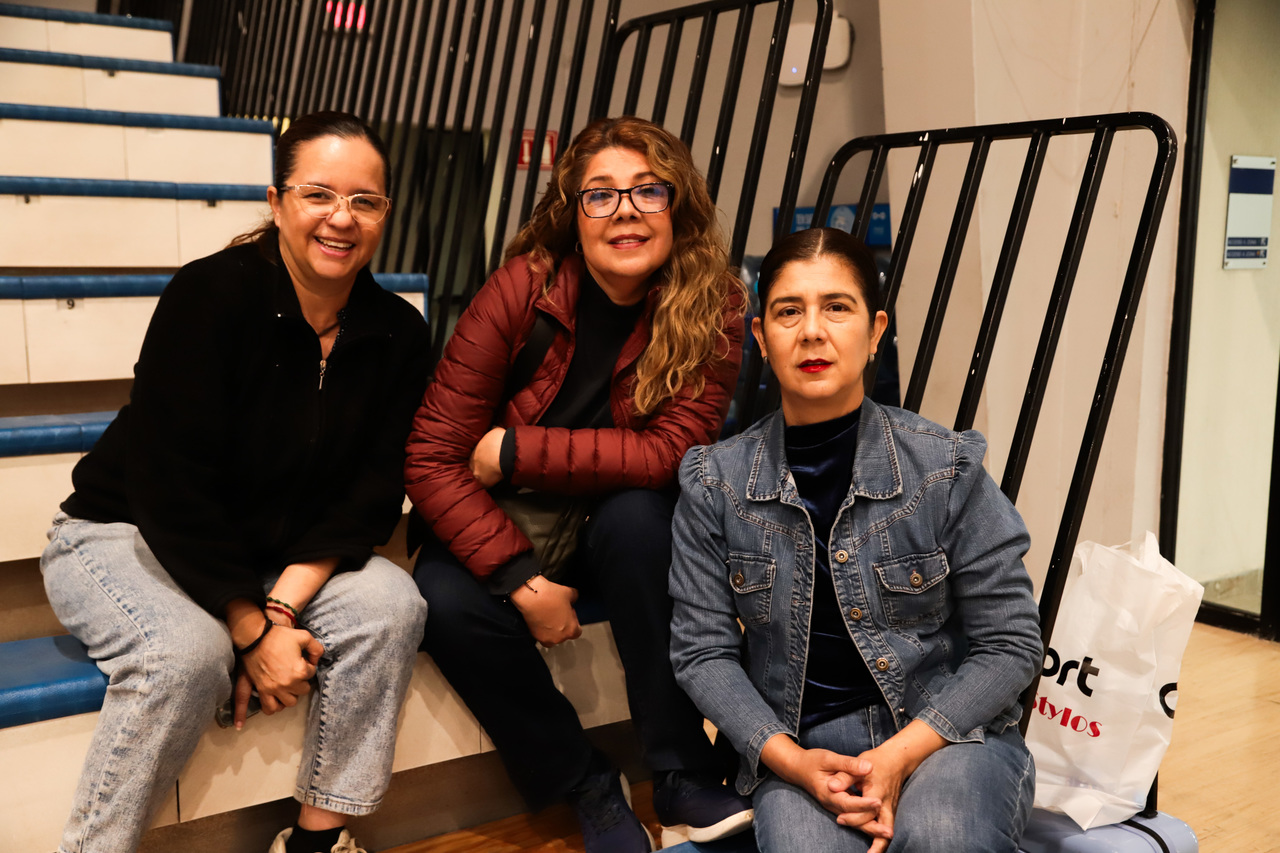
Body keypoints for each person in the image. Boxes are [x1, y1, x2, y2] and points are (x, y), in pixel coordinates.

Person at [40, 111, 430, 853]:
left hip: (269, 558)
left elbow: (373, 492)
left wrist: (279, 607)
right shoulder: (210, 295)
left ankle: (316, 841)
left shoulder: (398, 332)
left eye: (365, 200)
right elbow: (169, 485)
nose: (341, 219)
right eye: (319, 194)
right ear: (278, 200)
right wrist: (247, 629)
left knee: (391, 604)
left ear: (384, 212)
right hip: (125, 531)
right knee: (185, 655)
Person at [405, 116, 752, 852]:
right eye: (600, 195)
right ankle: (585, 780)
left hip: (603, 515)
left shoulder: (713, 304)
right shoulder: (521, 289)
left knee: (641, 522)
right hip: (504, 520)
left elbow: (672, 453)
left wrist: (517, 449)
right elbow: (433, 455)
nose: (625, 210)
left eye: (646, 191)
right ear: (574, 213)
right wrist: (522, 579)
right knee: (440, 598)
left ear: (677, 204)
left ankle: (682, 770)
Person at [668, 227, 1042, 852]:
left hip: (943, 732)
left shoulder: (945, 467)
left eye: (836, 307)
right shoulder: (715, 482)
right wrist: (789, 761)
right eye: (789, 311)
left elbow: (1010, 641)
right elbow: (701, 654)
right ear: (761, 337)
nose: (812, 331)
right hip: (800, 747)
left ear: (874, 332)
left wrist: (898, 756)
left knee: (942, 838)